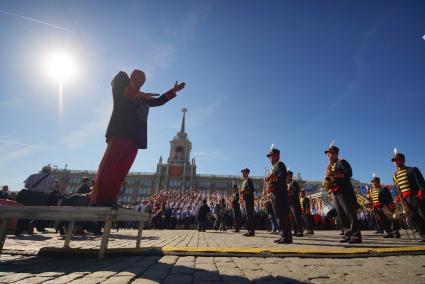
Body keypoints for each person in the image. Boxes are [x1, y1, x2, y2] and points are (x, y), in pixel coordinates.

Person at [89, 69, 185, 206]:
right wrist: (139, 94)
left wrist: (172, 90)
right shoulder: (122, 79)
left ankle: (110, 198)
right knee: (110, 165)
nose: (142, 80)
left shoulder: (141, 96)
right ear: (132, 76)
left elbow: (157, 101)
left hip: (135, 137)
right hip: (120, 131)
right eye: (140, 77)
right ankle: (98, 200)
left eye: (144, 79)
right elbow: (119, 91)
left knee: (122, 169)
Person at [323, 144, 362, 244]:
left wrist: (333, 173)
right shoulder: (328, 166)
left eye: (331, 153)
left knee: (350, 213)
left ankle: (356, 236)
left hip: (344, 191)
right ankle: (347, 234)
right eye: (328, 154)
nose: (329, 155)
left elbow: (349, 173)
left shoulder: (341, 162)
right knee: (341, 214)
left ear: (336, 153)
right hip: (335, 192)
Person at [392, 151, 425, 242]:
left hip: (416, 197)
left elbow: (421, 183)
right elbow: (397, 187)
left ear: (403, 160)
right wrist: (398, 198)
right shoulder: (395, 175)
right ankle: (423, 235)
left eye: (398, 160)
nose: (396, 162)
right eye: (395, 161)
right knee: (414, 218)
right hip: (405, 200)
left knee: (423, 215)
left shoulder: (413, 169)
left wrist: (420, 195)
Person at [266, 147, 292, 244]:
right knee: (278, 215)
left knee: (282, 215)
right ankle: (283, 235)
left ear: (277, 156)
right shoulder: (273, 168)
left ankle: (287, 236)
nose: (270, 158)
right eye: (270, 156)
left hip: (280, 193)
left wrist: (273, 177)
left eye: (272, 156)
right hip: (274, 193)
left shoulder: (280, 164)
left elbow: (282, 176)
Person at [287, 171, 303, 237]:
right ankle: (295, 231)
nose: (286, 177)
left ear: (290, 176)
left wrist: (288, 192)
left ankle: (300, 231)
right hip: (289, 203)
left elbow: (296, 191)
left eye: (288, 176)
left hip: (294, 202)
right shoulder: (286, 184)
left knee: (297, 217)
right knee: (292, 218)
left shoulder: (294, 183)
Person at [240, 168, 255, 236]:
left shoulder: (249, 180)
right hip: (245, 199)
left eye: (244, 172)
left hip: (249, 199)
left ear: (247, 173)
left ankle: (251, 231)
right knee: (247, 215)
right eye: (242, 172)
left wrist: (243, 191)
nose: (242, 173)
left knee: (249, 215)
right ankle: (249, 230)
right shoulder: (244, 181)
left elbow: (251, 190)